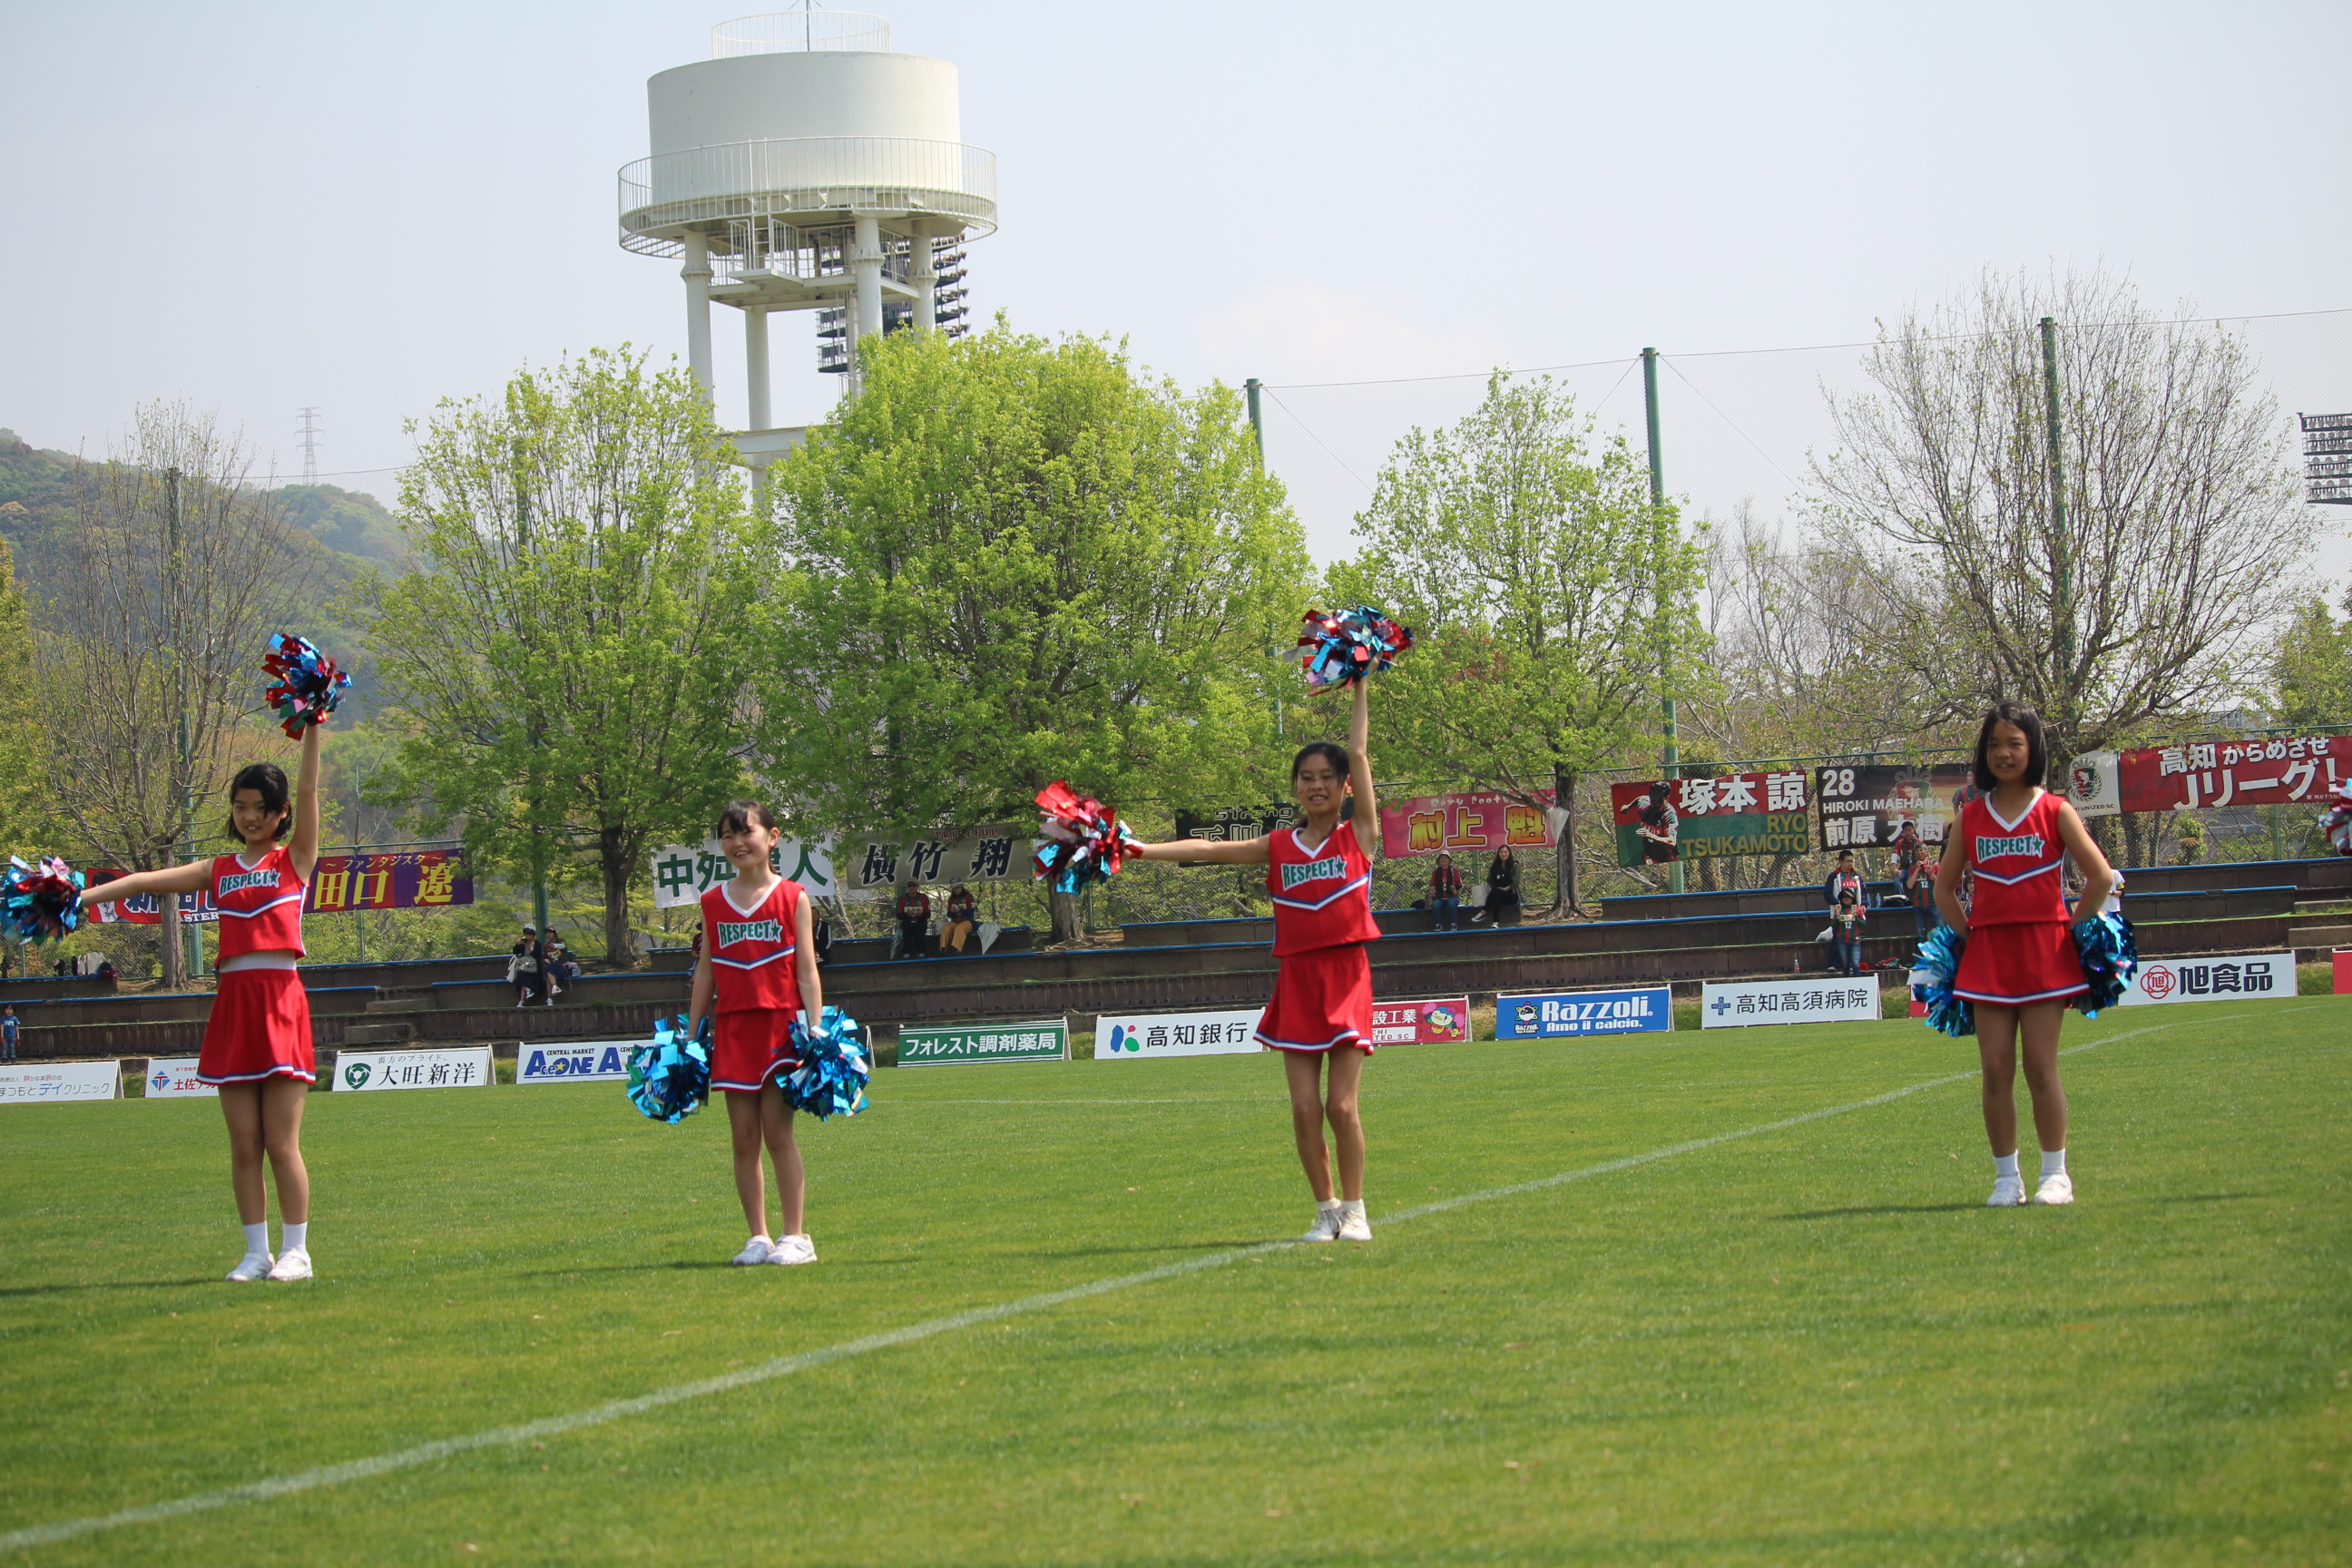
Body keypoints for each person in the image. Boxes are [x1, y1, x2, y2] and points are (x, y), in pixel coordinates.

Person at [1129, 677, 1380, 1242]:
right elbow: (1207, 850)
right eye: (1306, 777)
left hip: (1346, 977)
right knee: (1303, 1109)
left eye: (1327, 777)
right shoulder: (1279, 846)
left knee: (1341, 1108)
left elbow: (1361, 751)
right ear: (1295, 787)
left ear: (1344, 786)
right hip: (1297, 980)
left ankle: (1356, 1210)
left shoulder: (1358, 836)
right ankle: (1326, 1211)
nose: (1316, 785)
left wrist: (1360, 683)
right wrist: (1138, 849)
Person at [75, 720, 324, 1281]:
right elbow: (142, 882)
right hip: (233, 1004)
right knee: (244, 1144)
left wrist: (311, 725)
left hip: (280, 1002)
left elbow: (310, 788)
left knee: (281, 1143)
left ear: (281, 812)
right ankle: (256, 1254)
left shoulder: (295, 860)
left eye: (260, 807)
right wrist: (77, 899)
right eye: (240, 807)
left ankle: (297, 1252)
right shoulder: (218, 870)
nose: (249, 817)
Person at [1934, 701, 2116, 1210]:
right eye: (1994, 744)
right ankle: (2005, 1179)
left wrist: (2071, 930)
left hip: (2044, 954)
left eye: (2014, 743)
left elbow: (2101, 877)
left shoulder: (2055, 809)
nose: (2004, 753)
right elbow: (1944, 889)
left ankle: (2055, 1174)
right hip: (1989, 956)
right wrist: (1971, 936)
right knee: (1995, 1068)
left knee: (2040, 1066)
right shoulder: (1970, 816)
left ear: (2032, 748)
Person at [688, 799, 825, 1267]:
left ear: (772, 836)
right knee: (743, 1138)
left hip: (781, 1027)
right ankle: (758, 1237)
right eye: (727, 836)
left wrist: (815, 1026)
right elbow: (706, 973)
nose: (736, 843)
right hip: (734, 1028)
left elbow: (806, 970)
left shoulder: (793, 896)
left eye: (745, 832)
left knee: (778, 1133)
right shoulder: (712, 902)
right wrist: (692, 1032)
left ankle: (796, 1236)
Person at [1634, 782, 1680, 864]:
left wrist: (1650, 835)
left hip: (1666, 853)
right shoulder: (1644, 807)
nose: (1657, 805)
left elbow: (1672, 842)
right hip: (1650, 852)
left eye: (1660, 801)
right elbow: (1640, 799)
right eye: (1654, 801)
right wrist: (1627, 807)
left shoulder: (1669, 815)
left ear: (1667, 798)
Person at [1831, 889, 1867, 976]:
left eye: (1848, 897)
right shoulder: (1839, 909)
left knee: (1855, 963)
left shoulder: (1857, 909)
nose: (1845, 899)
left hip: (1855, 939)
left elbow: (1864, 923)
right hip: (1842, 940)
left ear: (1852, 899)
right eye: (1844, 897)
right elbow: (1834, 925)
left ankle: (1857, 981)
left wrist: (1856, 917)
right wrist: (1837, 917)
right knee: (1845, 963)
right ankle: (1847, 980)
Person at [1484, 843, 1522, 926]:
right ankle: (1496, 922)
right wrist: (1496, 888)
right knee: (1496, 897)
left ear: (1509, 853)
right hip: (1498, 893)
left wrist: (1505, 889)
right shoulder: (1494, 867)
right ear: (1498, 854)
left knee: (1495, 893)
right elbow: (1489, 880)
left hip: (1511, 894)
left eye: (1505, 852)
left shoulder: (1514, 865)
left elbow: (1515, 882)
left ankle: (1484, 911)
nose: (1503, 854)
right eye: (1501, 852)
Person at [507, 926, 544, 1008]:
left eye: (529, 934)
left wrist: (529, 949)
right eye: (526, 934)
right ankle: (525, 994)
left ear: (533, 934)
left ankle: (522, 1000)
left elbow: (536, 954)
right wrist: (517, 945)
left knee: (523, 977)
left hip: (533, 968)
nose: (527, 936)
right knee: (521, 974)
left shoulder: (537, 943)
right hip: (523, 966)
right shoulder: (523, 942)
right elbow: (515, 952)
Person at [894, 881, 931, 960]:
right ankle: (906, 953)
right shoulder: (902, 898)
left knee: (919, 928)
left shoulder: (924, 897)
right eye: (910, 885)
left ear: (917, 886)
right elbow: (899, 915)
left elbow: (928, 914)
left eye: (914, 885)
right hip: (907, 922)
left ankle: (922, 952)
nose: (912, 887)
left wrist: (920, 915)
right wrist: (907, 914)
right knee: (906, 928)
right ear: (907, 887)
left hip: (920, 921)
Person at [1428, 853, 1465, 931]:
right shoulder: (1436, 871)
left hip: (1452, 897)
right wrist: (1432, 891)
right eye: (1441, 858)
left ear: (1449, 860)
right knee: (1436, 905)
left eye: (1445, 858)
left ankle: (1454, 924)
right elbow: (1432, 884)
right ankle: (1438, 925)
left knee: (1451, 904)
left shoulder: (1454, 871)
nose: (1443, 860)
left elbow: (1459, 884)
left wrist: (1455, 890)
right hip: (1440, 897)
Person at [941, 884, 979, 954]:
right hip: (955, 922)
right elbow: (949, 915)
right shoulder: (951, 899)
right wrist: (952, 912)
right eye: (954, 888)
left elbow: (971, 911)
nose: (956, 890)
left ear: (961, 887)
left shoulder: (969, 896)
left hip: (967, 921)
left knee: (959, 928)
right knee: (946, 928)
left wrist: (960, 910)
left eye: (957, 887)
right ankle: (943, 949)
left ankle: (957, 949)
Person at [1822, 848, 1865, 912]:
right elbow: (1827, 893)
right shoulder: (1834, 876)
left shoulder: (1856, 876)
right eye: (1847, 861)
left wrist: (1863, 904)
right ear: (1841, 862)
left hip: (1856, 912)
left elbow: (1863, 892)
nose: (1850, 863)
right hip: (1839, 912)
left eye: (1851, 861)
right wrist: (1835, 903)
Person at [543, 927, 579, 995]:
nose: (548, 934)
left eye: (550, 932)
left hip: (562, 966)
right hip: (552, 966)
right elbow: (546, 957)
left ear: (554, 933)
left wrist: (554, 945)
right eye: (546, 933)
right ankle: (551, 996)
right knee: (548, 975)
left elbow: (563, 946)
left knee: (549, 971)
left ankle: (554, 988)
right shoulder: (546, 945)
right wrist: (546, 961)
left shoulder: (560, 941)